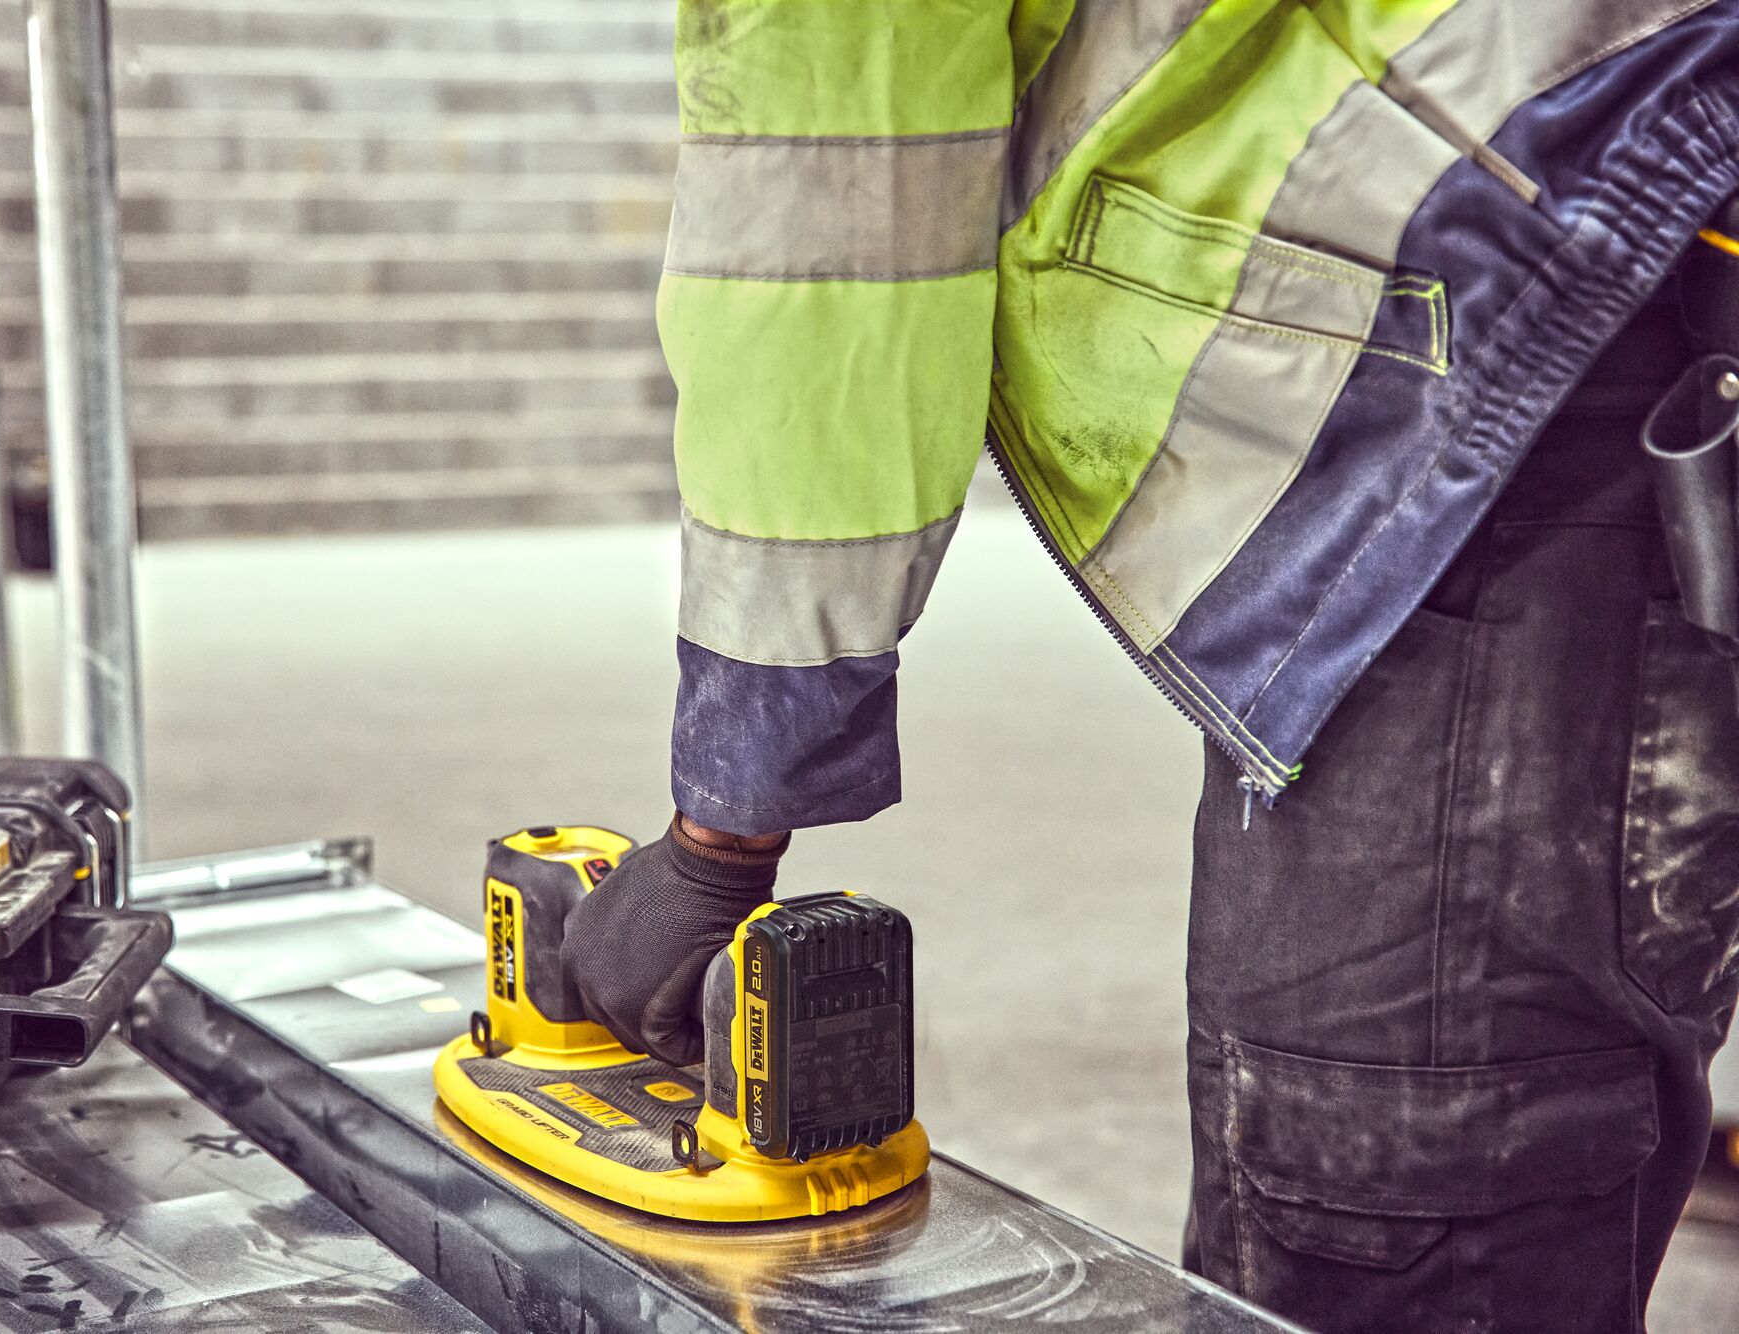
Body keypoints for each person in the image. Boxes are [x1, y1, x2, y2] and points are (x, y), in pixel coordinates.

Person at [561, 5, 1739, 1330]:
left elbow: (835, 199)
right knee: (1560, 1092)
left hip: (1509, 335)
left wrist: (726, 826)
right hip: (1615, 246)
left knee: (1394, 1235)